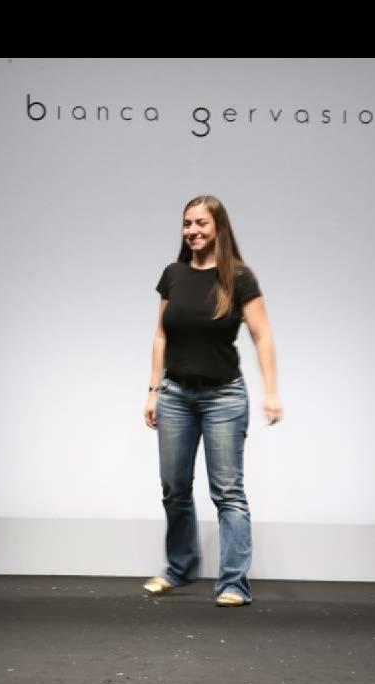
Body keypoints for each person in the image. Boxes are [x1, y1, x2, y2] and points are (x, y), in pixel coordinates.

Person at [143, 195, 283, 607]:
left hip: (223, 396)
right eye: (187, 223)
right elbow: (161, 335)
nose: (193, 231)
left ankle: (233, 583)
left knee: (228, 492)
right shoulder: (173, 274)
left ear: (218, 228)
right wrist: (153, 390)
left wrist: (271, 391)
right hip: (175, 395)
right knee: (174, 488)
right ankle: (179, 568)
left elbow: (262, 336)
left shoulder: (239, 277)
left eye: (201, 223)